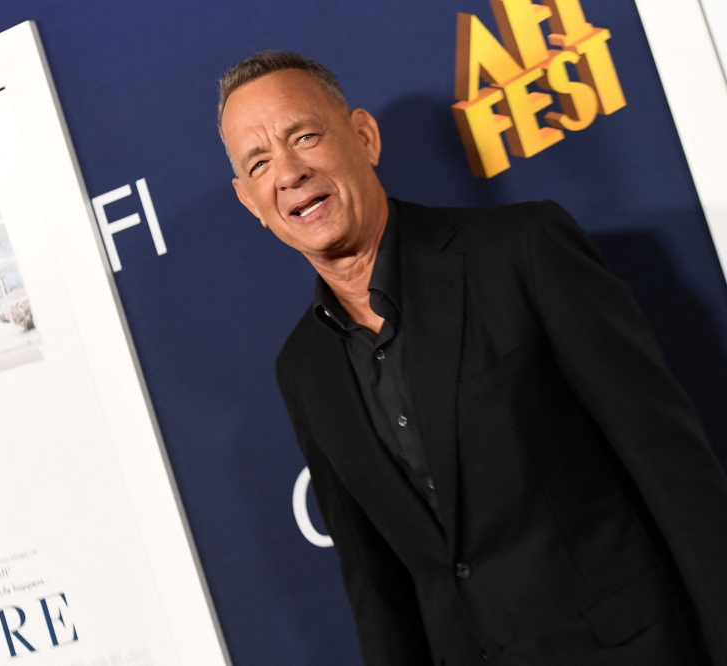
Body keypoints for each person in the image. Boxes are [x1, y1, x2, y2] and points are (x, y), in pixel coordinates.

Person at [218, 51, 727, 665]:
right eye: (260, 162)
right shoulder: (303, 370)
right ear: (251, 203)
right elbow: (376, 590)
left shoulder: (522, 252)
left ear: (363, 137)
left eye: (304, 136)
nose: (290, 172)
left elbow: (672, 469)